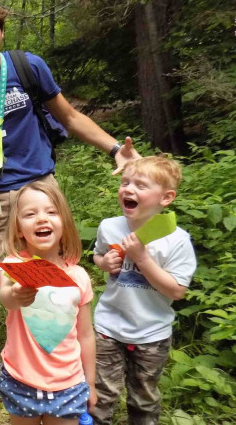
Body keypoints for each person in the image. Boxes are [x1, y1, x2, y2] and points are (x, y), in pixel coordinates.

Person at [0, 0, 141, 382]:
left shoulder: (28, 67)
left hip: (36, 189)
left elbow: (68, 115)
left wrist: (116, 148)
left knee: (56, 272)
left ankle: (61, 351)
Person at [90, 157, 196, 425]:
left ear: (166, 197)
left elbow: (177, 291)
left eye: (140, 185)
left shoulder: (176, 239)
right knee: (100, 395)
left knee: (144, 398)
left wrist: (142, 258)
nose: (128, 189)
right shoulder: (109, 226)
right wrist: (105, 263)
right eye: (125, 182)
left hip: (151, 333)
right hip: (108, 327)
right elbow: (98, 256)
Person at [0, 179, 96, 423]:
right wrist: (16, 296)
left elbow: (85, 334)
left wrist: (90, 381)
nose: (42, 218)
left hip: (68, 383)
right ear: (19, 229)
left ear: (64, 223)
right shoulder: (13, 267)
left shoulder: (79, 277)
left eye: (51, 212)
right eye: (30, 214)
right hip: (20, 379)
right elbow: (7, 299)